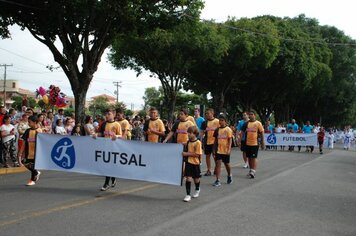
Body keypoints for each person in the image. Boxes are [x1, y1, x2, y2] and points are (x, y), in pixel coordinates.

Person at [95, 109, 122, 191]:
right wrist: (96, 134)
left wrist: (116, 136)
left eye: (109, 114)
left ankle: (107, 183)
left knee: (110, 165)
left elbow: (121, 135)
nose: (107, 115)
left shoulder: (117, 124)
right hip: (105, 147)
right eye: (106, 114)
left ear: (113, 115)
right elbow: (101, 133)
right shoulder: (103, 124)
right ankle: (112, 179)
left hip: (114, 148)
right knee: (107, 165)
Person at [17, 115, 42, 186]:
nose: (28, 123)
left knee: (33, 165)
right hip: (28, 152)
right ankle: (36, 172)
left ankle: (32, 180)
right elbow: (24, 142)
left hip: (36, 152)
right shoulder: (28, 131)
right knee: (25, 163)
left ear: (35, 122)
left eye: (30, 122)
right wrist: (21, 152)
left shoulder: (39, 130)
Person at [239, 111, 265, 179]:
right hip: (247, 143)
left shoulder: (258, 123)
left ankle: (253, 170)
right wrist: (239, 141)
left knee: (253, 157)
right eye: (249, 114)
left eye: (252, 114)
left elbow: (262, 133)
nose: (250, 116)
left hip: (255, 143)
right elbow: (242, 132)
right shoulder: (246, 123)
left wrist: (263, 143)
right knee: (249, 158)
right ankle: (251, 170)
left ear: (255, 115)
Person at [182, 126, 202, 202]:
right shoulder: (188, 142)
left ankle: (197, 189)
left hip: (195, 163)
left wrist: (186, 154)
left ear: (195, 134)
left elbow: (197, 154)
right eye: (188, 132)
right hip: (188, 163)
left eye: (190, 133)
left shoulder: (198, 143)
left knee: (196, 179)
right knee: (188, 178)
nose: (188, 134)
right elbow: (184, 145)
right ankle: (188, 195)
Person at [212, 114, 233, 186]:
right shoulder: (217, 130)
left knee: (227, 164)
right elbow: (215, 141)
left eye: (222, 120)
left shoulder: (228, 129)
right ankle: (217, 180)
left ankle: (229, 175)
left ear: (225, 121)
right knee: (218, 164)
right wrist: (214, 149)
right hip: (218, 150)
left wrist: (229, 149)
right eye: (219, 120)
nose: (220, 122)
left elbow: (230, 140)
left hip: (226, 150)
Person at [200, 108, 220, 176]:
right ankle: (208, 170)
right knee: (207, 156)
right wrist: (200, 141)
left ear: (212, 113)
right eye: (206, 113)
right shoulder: (204, 122)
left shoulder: (217, 121)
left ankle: (217, 168)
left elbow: (221, 131)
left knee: (215, 156)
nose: (206, 115)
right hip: (207, 142)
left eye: (208, 113)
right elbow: (202, 132)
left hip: (215, 142)